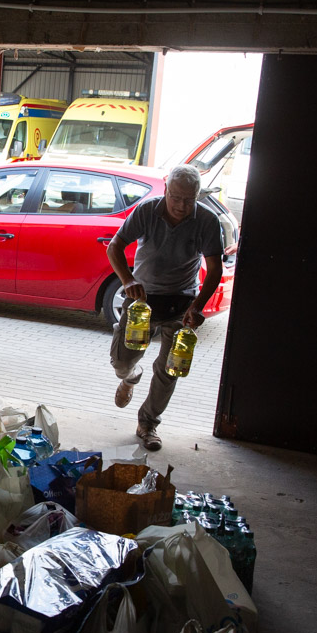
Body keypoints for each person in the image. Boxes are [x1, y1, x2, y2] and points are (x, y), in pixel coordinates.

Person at [106, 165, 224, 451]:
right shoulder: (147, 211)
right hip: (143, 302)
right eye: (176, 197)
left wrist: (197, 307)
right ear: (166, 188)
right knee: (122, 361)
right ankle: (130, 379)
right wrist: (128, 279)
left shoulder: (207, 221)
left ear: (198, 195)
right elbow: (114, 247)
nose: (182, 205)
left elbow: (215, 268)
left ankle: (148, 423)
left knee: (170, 369)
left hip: (182, 302)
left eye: (189, 199)